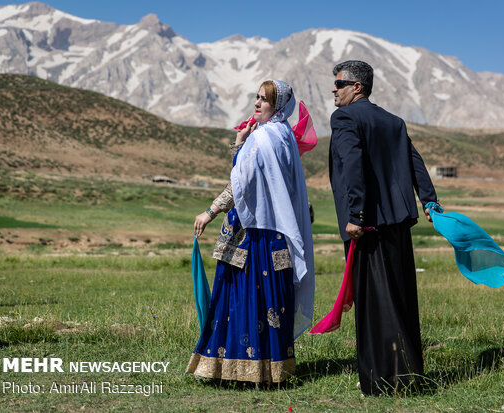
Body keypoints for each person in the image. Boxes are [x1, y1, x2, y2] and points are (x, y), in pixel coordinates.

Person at [186, 80, 314, 384]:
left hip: (253, 235)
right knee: (271, 301)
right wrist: (243, 143)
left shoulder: (263, 139)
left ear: (278, 106)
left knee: (241, 298)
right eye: (256, 97)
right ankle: (275, 368)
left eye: (264, 100)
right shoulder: (283, 135)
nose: (257, 104)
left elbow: (241, 185)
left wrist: (211, 211)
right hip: (276, 235)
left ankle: (235, 368)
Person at [328, 60, 439, 395]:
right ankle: (410, 376)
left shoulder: (345, 117)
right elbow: (414, 161)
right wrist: (430, 201)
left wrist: (357, 216)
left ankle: (382, 382)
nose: (333, 89)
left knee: (374, 303)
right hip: (399, 223)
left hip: (369, 226)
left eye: (339, 83)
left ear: (357, 87)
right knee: (401, 298)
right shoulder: (393, 121)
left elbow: (354, 167)